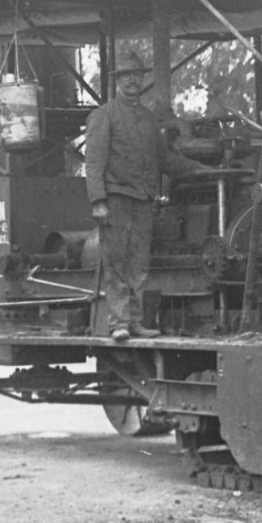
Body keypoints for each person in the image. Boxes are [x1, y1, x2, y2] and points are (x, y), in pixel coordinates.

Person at [85, 47, 214, 340]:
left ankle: (134, 322)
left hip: (143, 200)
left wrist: (199, 168)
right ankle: (119, 324)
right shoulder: (104, 116)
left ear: (142, 79)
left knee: (139, 264)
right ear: (117, 80)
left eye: (136, 75)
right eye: (126, 75)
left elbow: (164, 159)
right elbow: (93, 163)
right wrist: (98, 201)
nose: (132, 80)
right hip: (115, 199)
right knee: (116, 263)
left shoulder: (148, 119)